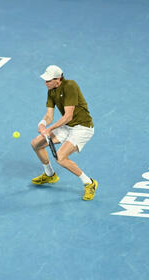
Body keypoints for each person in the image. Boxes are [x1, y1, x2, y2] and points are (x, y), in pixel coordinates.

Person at [30, 65, 98, 201]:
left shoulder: (70, 86)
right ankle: (50, 175)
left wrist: (49, 130)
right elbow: (49, 115)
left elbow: (68, 116)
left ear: (58, 79)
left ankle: (89, 183)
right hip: (67, 127)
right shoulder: (51, 91)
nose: (46, 83)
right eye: (45, 80)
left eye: (49, 80)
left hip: (82, 128)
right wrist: (42, 124)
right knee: (36, 144)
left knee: (60, 157)